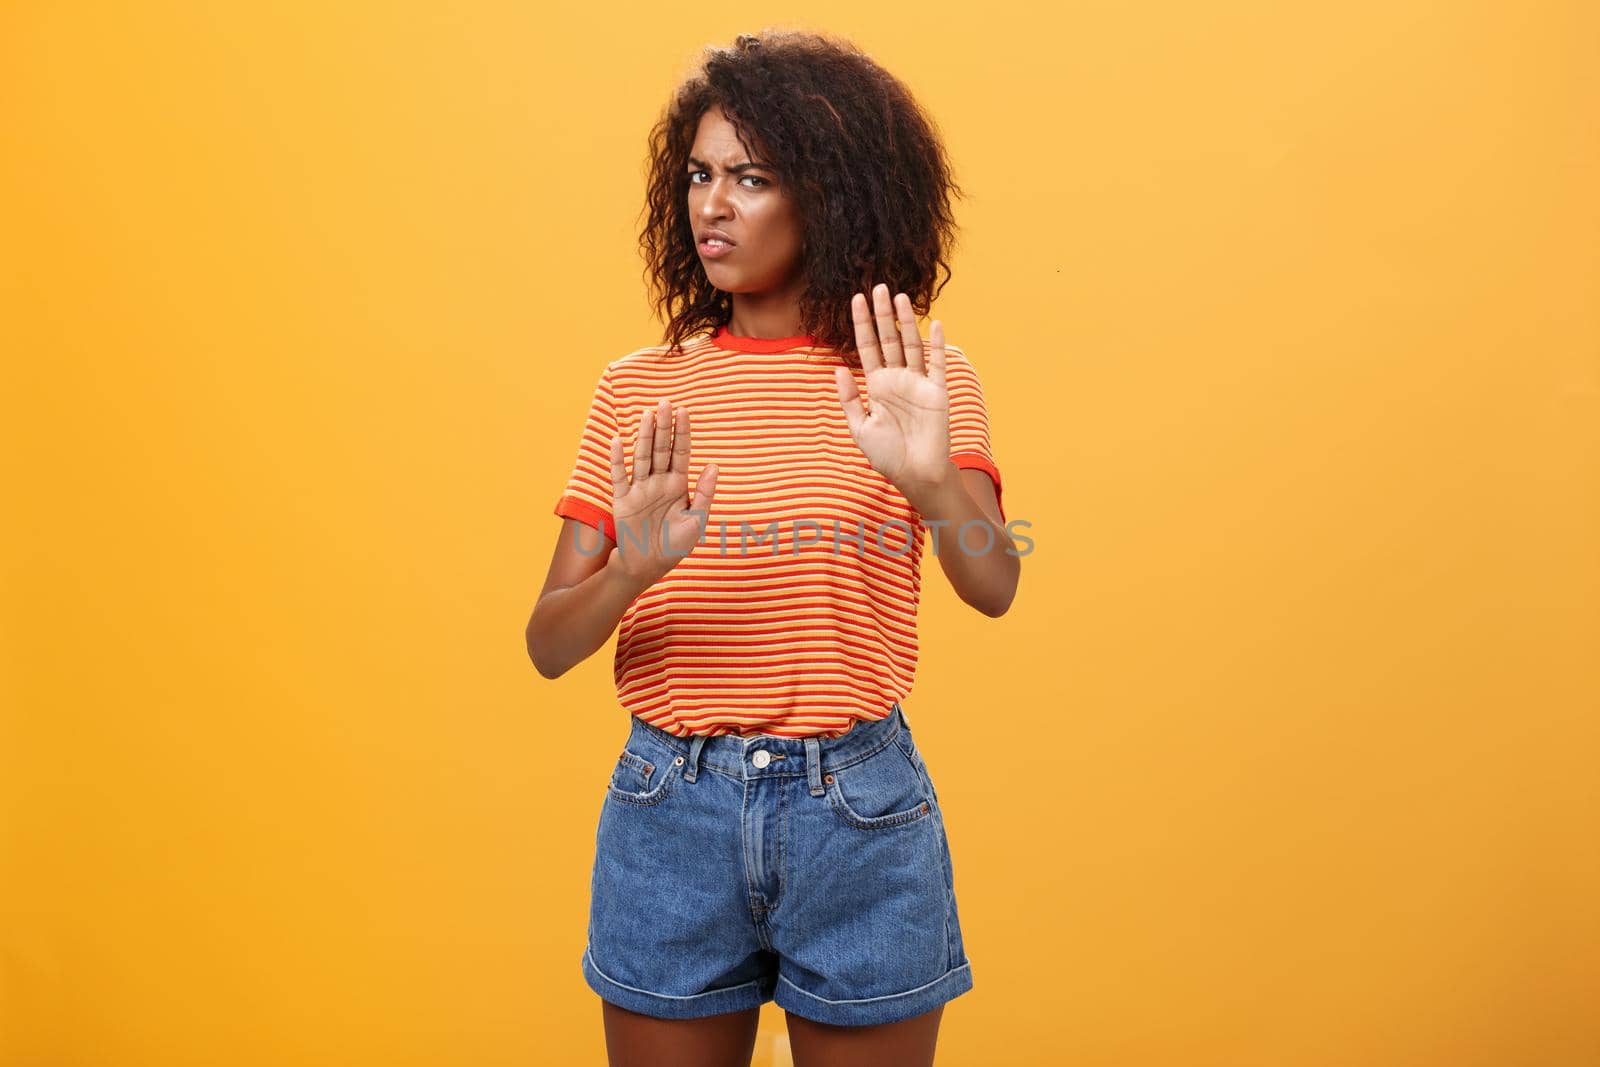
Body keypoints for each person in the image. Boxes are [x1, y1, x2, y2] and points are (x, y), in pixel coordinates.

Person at [526, 29, 1020, 1067]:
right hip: (671, 810)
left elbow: (992, 580)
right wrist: (633, 567)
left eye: (751, 177)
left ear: (833, 193)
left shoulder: (915, 374)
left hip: (860, 809)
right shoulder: (638, 388)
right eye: (700, 175)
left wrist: (928, 475)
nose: (713, 204)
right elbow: (548, 642)